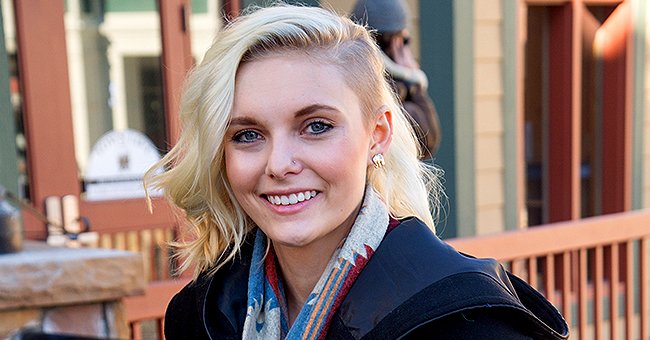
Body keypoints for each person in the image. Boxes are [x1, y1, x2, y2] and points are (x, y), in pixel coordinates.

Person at [145, 5, 568, 339]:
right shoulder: (200, 317)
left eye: (316, 127)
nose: (278, 165)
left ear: (377, 135)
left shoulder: (467, 322)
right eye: (248, 135)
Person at [351, 0, 440, 159]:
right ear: (396, 41)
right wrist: (412, 79)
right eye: (404, 40)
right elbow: (428, 141)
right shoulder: (389, 89)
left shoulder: (349, 75)